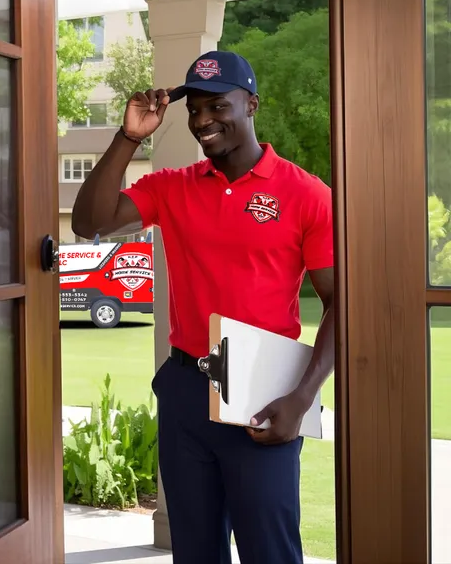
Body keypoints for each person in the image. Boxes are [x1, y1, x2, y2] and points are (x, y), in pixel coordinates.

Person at [71, 51, 334, 564]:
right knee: (194, 550)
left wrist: (303, 398)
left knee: (270, 551)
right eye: (195, 110)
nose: (203, 120)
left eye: (218, 106)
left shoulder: (307, 195)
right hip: (188, 388)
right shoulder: (172, 188)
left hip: (263, 395)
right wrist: (129, 137)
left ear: (252, 104)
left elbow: (340, 304)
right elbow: (89, 221)